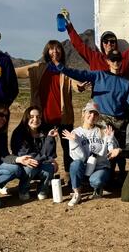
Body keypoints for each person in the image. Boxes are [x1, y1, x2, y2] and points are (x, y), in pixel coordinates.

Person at [15, 40, 86, 173]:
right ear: (47, 52)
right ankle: (47, 177)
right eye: (51, 49)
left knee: (68, 148)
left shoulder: (65, 70)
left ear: (62, 52)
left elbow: (75, 83)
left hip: (64, 119)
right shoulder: (38, 68)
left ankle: (70, 176)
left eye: (58, 48)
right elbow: (15, 72)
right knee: (46, 149)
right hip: (43, 119)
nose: (55, 51)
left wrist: (80, 87)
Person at [61, 5, 129, 75]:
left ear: (116, 44)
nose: (109, 43)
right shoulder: (95, 58)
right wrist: (69, 24)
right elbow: (79, 45)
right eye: (106, 41)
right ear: (102, 44)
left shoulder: (124, 58)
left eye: (112, 41)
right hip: (100, 97)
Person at [62, 101, 120, 207]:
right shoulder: (76, 133)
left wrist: (111, 142)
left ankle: (97, 187)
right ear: (84, 113)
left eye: (96, 114)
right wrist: (74, 141)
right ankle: (77, 192)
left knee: (96, 181)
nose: (92, 116)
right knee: (75, 164)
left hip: (100, 167)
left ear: (98, 117)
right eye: (90, 112)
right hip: (84, 167)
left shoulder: (103, 130)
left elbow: (112, 149)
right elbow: (80, 158)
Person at [9, 106, 58, 200]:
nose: (35, 119)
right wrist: (49, 159)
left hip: (41, 162)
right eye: (32, 117)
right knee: (31, 168)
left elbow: (50, 153)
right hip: (25, 164)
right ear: (26, 118)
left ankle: (43, 190)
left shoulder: (46, 131)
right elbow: (27, 156)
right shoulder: (19, 133)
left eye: (38, 117)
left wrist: (49, 138)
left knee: (49, 168)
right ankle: (23, 190)